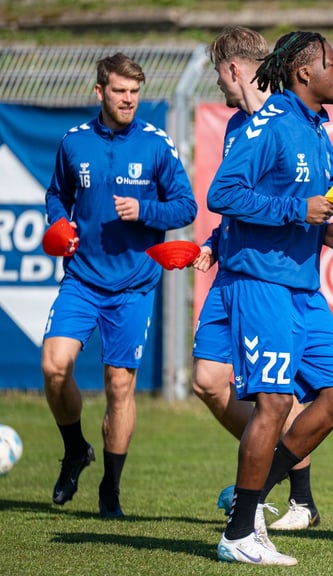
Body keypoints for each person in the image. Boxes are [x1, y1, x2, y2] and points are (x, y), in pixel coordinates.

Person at [207, 30, 333, 566]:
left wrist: (327, 227)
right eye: (332, 64)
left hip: (303, 287)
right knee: (273, 403)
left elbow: (327, 194)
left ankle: (248, 503)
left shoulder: (315, 127)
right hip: (262, 282)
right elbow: (222, 194)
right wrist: (299, 211)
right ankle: (240, 534)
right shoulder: (269, 123)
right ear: (303, 73)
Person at [41, 53, 196, 519]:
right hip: (82, 280)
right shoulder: (74, 142)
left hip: (133, 287)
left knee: (119, 385)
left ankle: (110, 489)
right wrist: (58, 223)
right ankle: (75, 449)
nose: (129, 100)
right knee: (54, 367)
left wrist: (145, 211)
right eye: (120, 91)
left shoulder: (156, 144)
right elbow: (57, 194)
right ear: (100, 92)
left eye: (134, 92)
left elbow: (186, 206)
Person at [192, 25, 326, 532]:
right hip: (232, 268)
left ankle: (289, 498)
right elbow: (236, 199)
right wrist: (214, 241)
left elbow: (312, 194)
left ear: (233, 69)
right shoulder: (235, 126)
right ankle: (272, 474)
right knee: (208, 381)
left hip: (273, 276)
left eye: (219, 74)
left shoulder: (288, 118)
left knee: (277, 393)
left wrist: (326, 223)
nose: (218, 85)